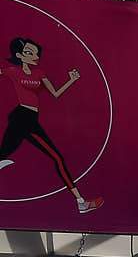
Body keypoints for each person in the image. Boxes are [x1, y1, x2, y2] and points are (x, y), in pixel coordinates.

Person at [0, 37, 103, 214]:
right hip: (21, 118)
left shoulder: (39, 73)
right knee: (57, 158)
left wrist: (71, 80)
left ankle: (81, 202)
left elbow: (55, 93)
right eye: (28, 52)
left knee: (3, 154)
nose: (34, 55)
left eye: (35, 52)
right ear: (19, 55)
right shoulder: (13, 71)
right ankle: (80, 202)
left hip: (30, 119)